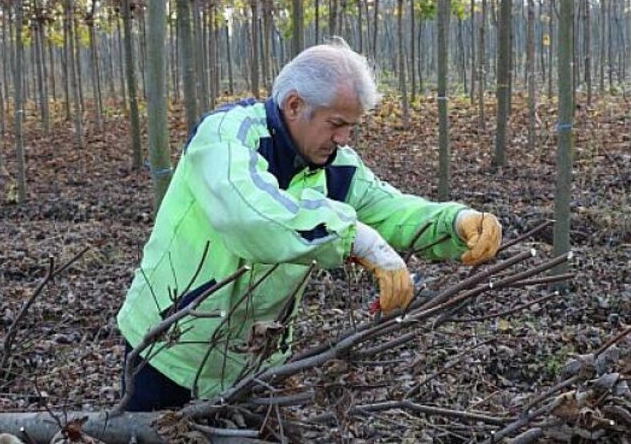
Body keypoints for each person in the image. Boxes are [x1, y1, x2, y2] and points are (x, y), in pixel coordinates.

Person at [116, 38, 502, 411]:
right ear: (295, 105)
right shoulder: (225, 136)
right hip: (167, 346)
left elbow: (393, 209)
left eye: (351, 126)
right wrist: (356, 240)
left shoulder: (335, 167)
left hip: (253, 362)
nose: (344, 138)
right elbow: (251, 217)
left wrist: (456, 221)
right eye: (336, 123)